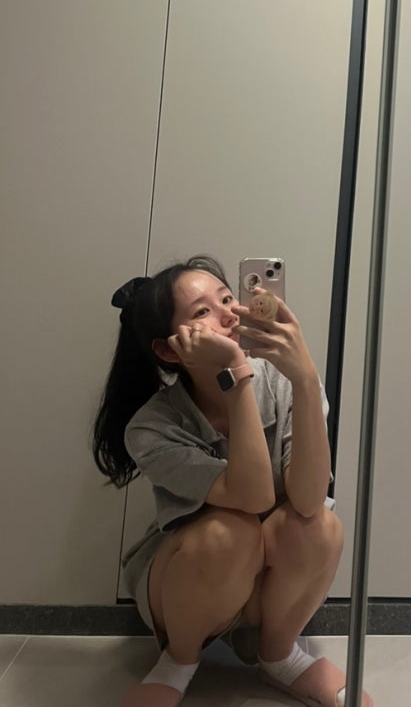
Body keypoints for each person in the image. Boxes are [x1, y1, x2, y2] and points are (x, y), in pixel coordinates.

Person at [92, 255, 372, 707]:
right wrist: (237, 375)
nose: (228, 315)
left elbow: (307, 498)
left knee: (320, 525)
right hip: (186, 587)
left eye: (227, 299)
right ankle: (178, 660)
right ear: (169, 350)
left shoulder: (282, 381)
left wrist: (304, 377)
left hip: (266, 587)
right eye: (203, 311)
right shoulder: (151, 426)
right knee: (229, 531)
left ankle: (279, 656)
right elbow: (252, 497)